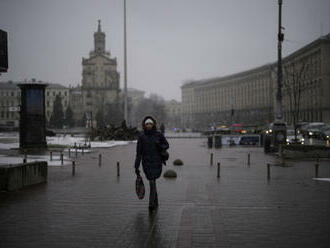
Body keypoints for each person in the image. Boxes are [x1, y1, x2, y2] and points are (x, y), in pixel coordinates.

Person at [134, 116, 169, 211]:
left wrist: (160, 146)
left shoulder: (158, 134)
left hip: (157, 162)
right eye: (147, 124)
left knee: (152, 181)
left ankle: (151, 203)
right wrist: (136, 167)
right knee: (152, 181)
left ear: (153, 124)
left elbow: (166, 144)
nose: (148, 125)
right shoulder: (141, 136)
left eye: (150, 124)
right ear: (144, 125)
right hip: (146, 163)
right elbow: (138, 153)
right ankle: (155, 201)